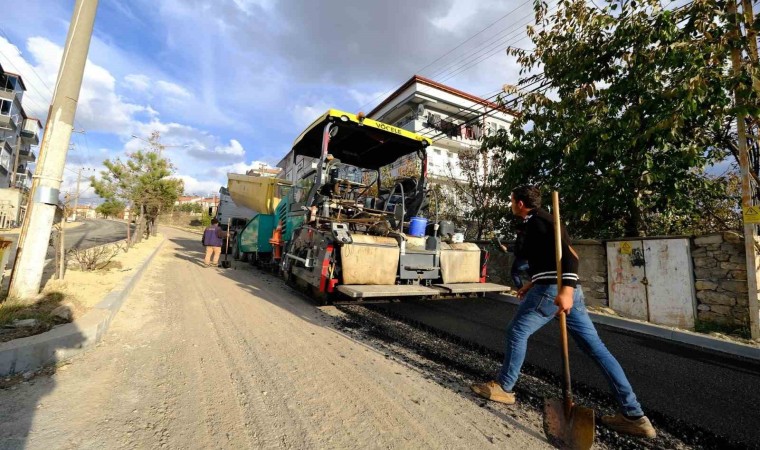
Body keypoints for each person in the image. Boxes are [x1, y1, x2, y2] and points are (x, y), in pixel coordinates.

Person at [471, 185, 656, 439]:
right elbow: (551, 258)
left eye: (512, 200)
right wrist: (533, 282)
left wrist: (565, 290)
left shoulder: (540, 221)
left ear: (521, 203)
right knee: (596, 349)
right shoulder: (538, 221)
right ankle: (634, 416)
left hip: (553, 290)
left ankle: (504, 387)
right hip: (557, 287)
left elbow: (572, 257)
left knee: (516, 332)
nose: (511, 204)